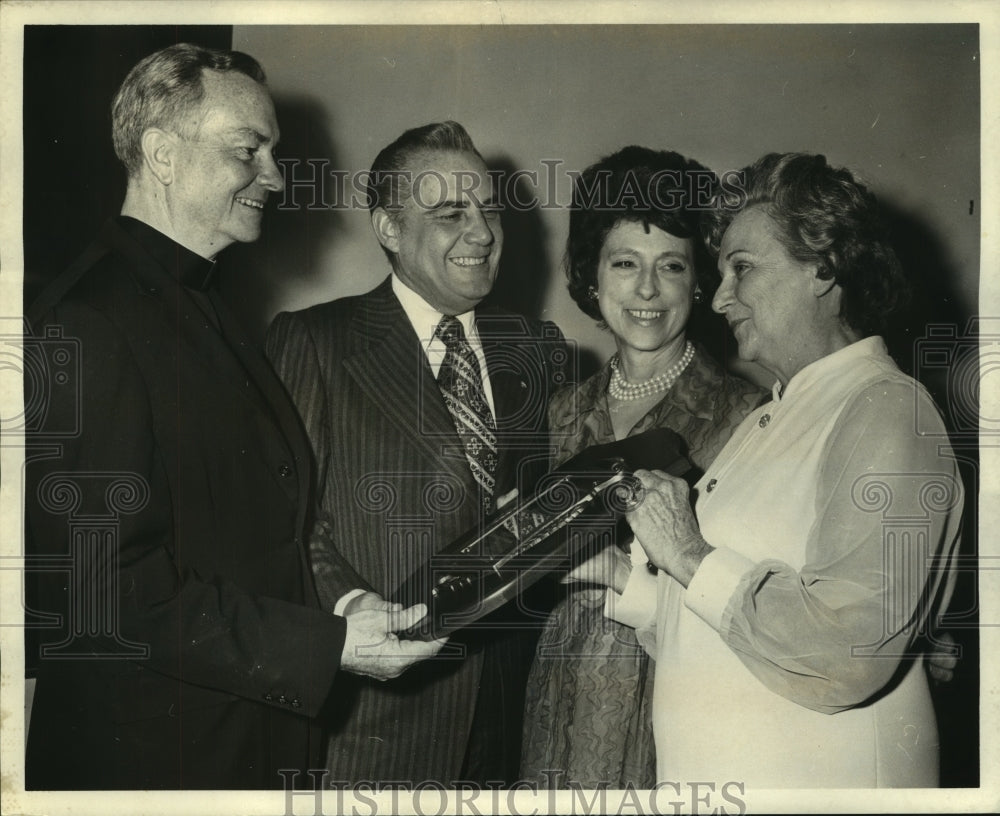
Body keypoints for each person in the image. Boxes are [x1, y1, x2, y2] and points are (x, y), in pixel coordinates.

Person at [23, 43, 441, 791]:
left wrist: (343, 607)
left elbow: (259, 536)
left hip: (238, 746)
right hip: (153, 767)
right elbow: (101, 593)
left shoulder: (206, 302)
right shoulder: (88, 320)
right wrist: (327, 646)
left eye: (272, 151)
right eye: (248, 150)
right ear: (161, 154)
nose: (275, 177)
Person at [610, 153, 963, 787]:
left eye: (741, 269)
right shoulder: (772, 415)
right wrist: (610, 574)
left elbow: (847, 653)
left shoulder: (888, 408)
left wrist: (686, 551)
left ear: (823, 268)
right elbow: (721, 633)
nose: (718, 299)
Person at [265, 121, 569, 786]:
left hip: (515, 728)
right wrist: (350, 608)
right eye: (450, 213)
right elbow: (283, 523)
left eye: (489, 209)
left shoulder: (541, 351)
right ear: (389, 230)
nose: (483, 232)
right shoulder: (314, 343)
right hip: (373, 733)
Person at [519, 146, 764, 788]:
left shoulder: (749, 415)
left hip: (682, 694)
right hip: (560, 694)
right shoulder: (559, 412)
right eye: (625, 263)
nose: (647, 290)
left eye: (672, 266)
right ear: (592, 280)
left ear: (700, 282)